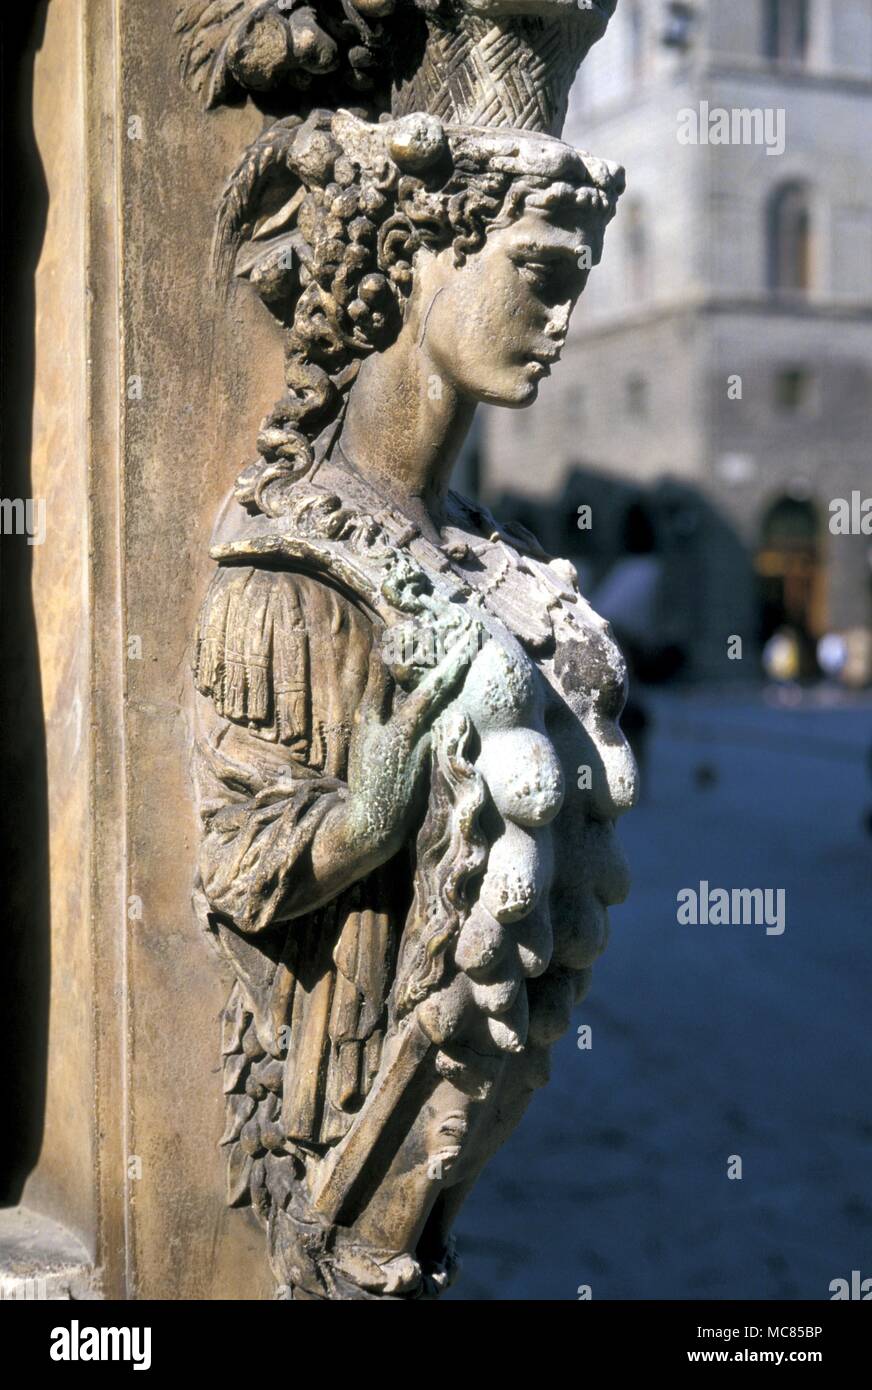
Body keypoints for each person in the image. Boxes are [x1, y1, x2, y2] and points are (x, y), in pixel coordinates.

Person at [192, 109, 636, 1298]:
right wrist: (368, 812)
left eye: (575, 287)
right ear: (415, 255)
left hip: (449, 1115)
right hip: (328, 1100)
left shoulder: (496, 557)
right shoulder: (290, 563)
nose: (561, 324)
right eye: (537, 274)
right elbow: (236, 865)